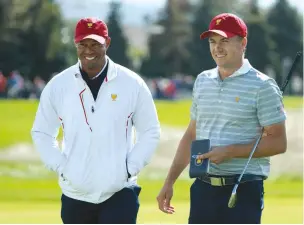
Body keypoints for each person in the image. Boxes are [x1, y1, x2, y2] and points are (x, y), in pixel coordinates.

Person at [156, 13, 287, 224]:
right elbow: (191, 134)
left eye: (224, 41)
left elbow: (278, 142)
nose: (217, 47)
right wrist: (169, 181)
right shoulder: (202, 80)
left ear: (243, 43)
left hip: (243, 190)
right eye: (213, 41)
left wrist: (229, 152)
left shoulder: (263, 86)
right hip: (202, 189)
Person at [31, 17, 161, 224]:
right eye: (83, 44)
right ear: (75, 44)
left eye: (95, 44)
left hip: (120, 192)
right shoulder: (58, 85)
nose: (88, 50)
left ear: (107, 43)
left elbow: (151, 131)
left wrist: (129, 168)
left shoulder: (132, 83)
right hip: (75, 194)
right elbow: (42, 132)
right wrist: (62, 167)